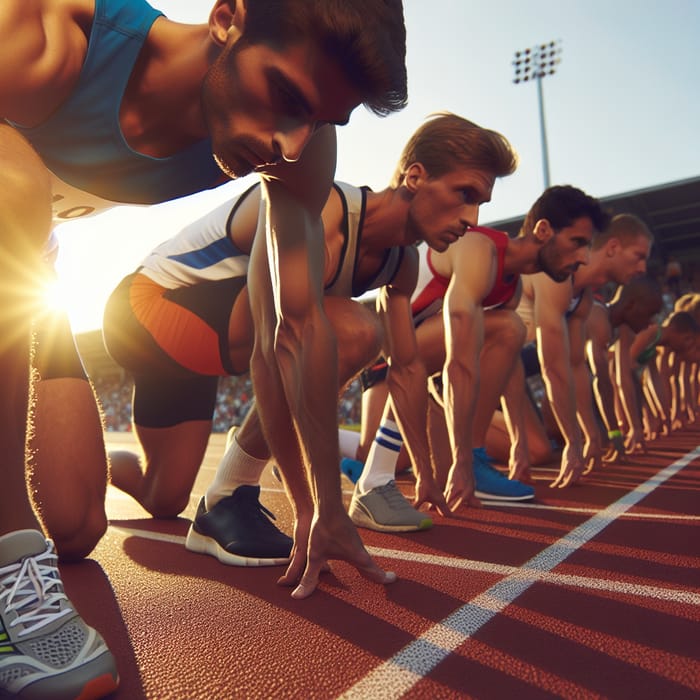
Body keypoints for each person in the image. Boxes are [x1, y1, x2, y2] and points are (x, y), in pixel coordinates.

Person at [1, 0, 407, 695]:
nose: (287, 143)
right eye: (285, 99)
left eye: (318, 122)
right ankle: (7, 559)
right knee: (16, 184)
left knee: (73, 526)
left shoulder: (297, 150)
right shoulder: (40, 34)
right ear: (226, 17)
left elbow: (300, 328)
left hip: (26, 278)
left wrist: (321, 506)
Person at [102, 112, 517, 559]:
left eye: (482, 204)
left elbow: (408, 369)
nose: (472, 218)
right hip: (148, 308)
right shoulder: (325, 211)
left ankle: (98, 463)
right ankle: (227, 497)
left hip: (202, 349)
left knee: (163, 497)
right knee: (350, 329)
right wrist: (315, 507)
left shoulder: (401, 262)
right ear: (415, 177)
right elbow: (282, 343)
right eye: (465, 195)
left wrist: (429, 473)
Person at [353, 185, 608, 526]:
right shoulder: (479, 248)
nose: (584, 259)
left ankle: (373, 472)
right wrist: (465, 457)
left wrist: (518, 441)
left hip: (427, 364)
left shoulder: (513, 283)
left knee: (441, 480)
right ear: (544, 230)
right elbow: (460, 361)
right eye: (578, 242)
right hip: (395, 356)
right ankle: (467, 456)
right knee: (508, 327)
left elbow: (509, 370)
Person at [511, 213, 653, 487]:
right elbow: (551, 368)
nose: (644, 268)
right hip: (471, 374)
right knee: (539, 449)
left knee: (541, 447)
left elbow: (575, 367)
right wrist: (572, 442)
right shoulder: (556, 277)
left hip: (508, 369)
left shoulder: (583, 298)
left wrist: (590, 436)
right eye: (638, 256)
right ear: (612, 248)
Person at [585, 275, 663, 461]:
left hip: (576, 385)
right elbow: (601, 381)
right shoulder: (598, 316)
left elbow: (624, 377)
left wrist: (636, 427)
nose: (651, 323)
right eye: (649, 313)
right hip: (537, 372)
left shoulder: (623, 327)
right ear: (631, 305)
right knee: (598, 439)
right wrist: (615, 436)